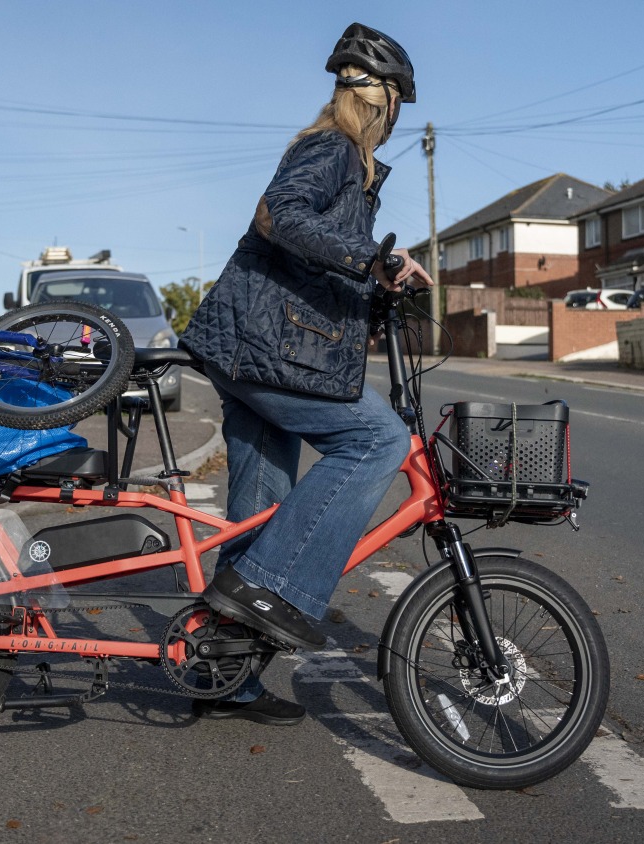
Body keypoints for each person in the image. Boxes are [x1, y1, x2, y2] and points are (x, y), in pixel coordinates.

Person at [179, 22, 433, 726]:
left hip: (252, 346)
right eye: (394, 102)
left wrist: (375, 279)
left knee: (260, 503)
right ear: (380, 101)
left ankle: (221, 674)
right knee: (377, 442)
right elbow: (279, 216)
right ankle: (271, 587)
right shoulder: (333, 150)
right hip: (263, 348)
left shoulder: (345, 162)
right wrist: (367, 260)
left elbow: (312, 255)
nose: (393, 117)